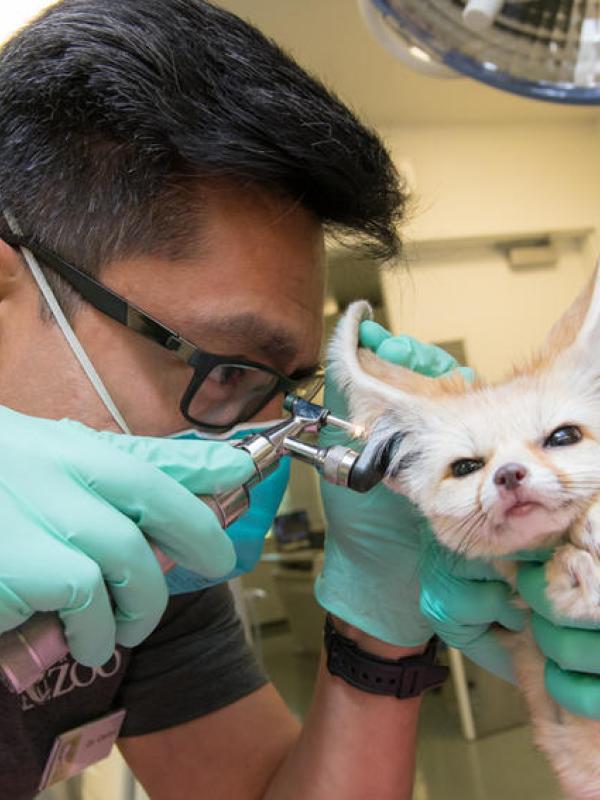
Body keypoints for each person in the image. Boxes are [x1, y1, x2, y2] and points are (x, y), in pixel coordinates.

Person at [0, 2, 596, 798]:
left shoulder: (151, 575)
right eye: (224, 367)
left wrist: (376, 620)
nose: (259, 436)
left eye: (286, 391)